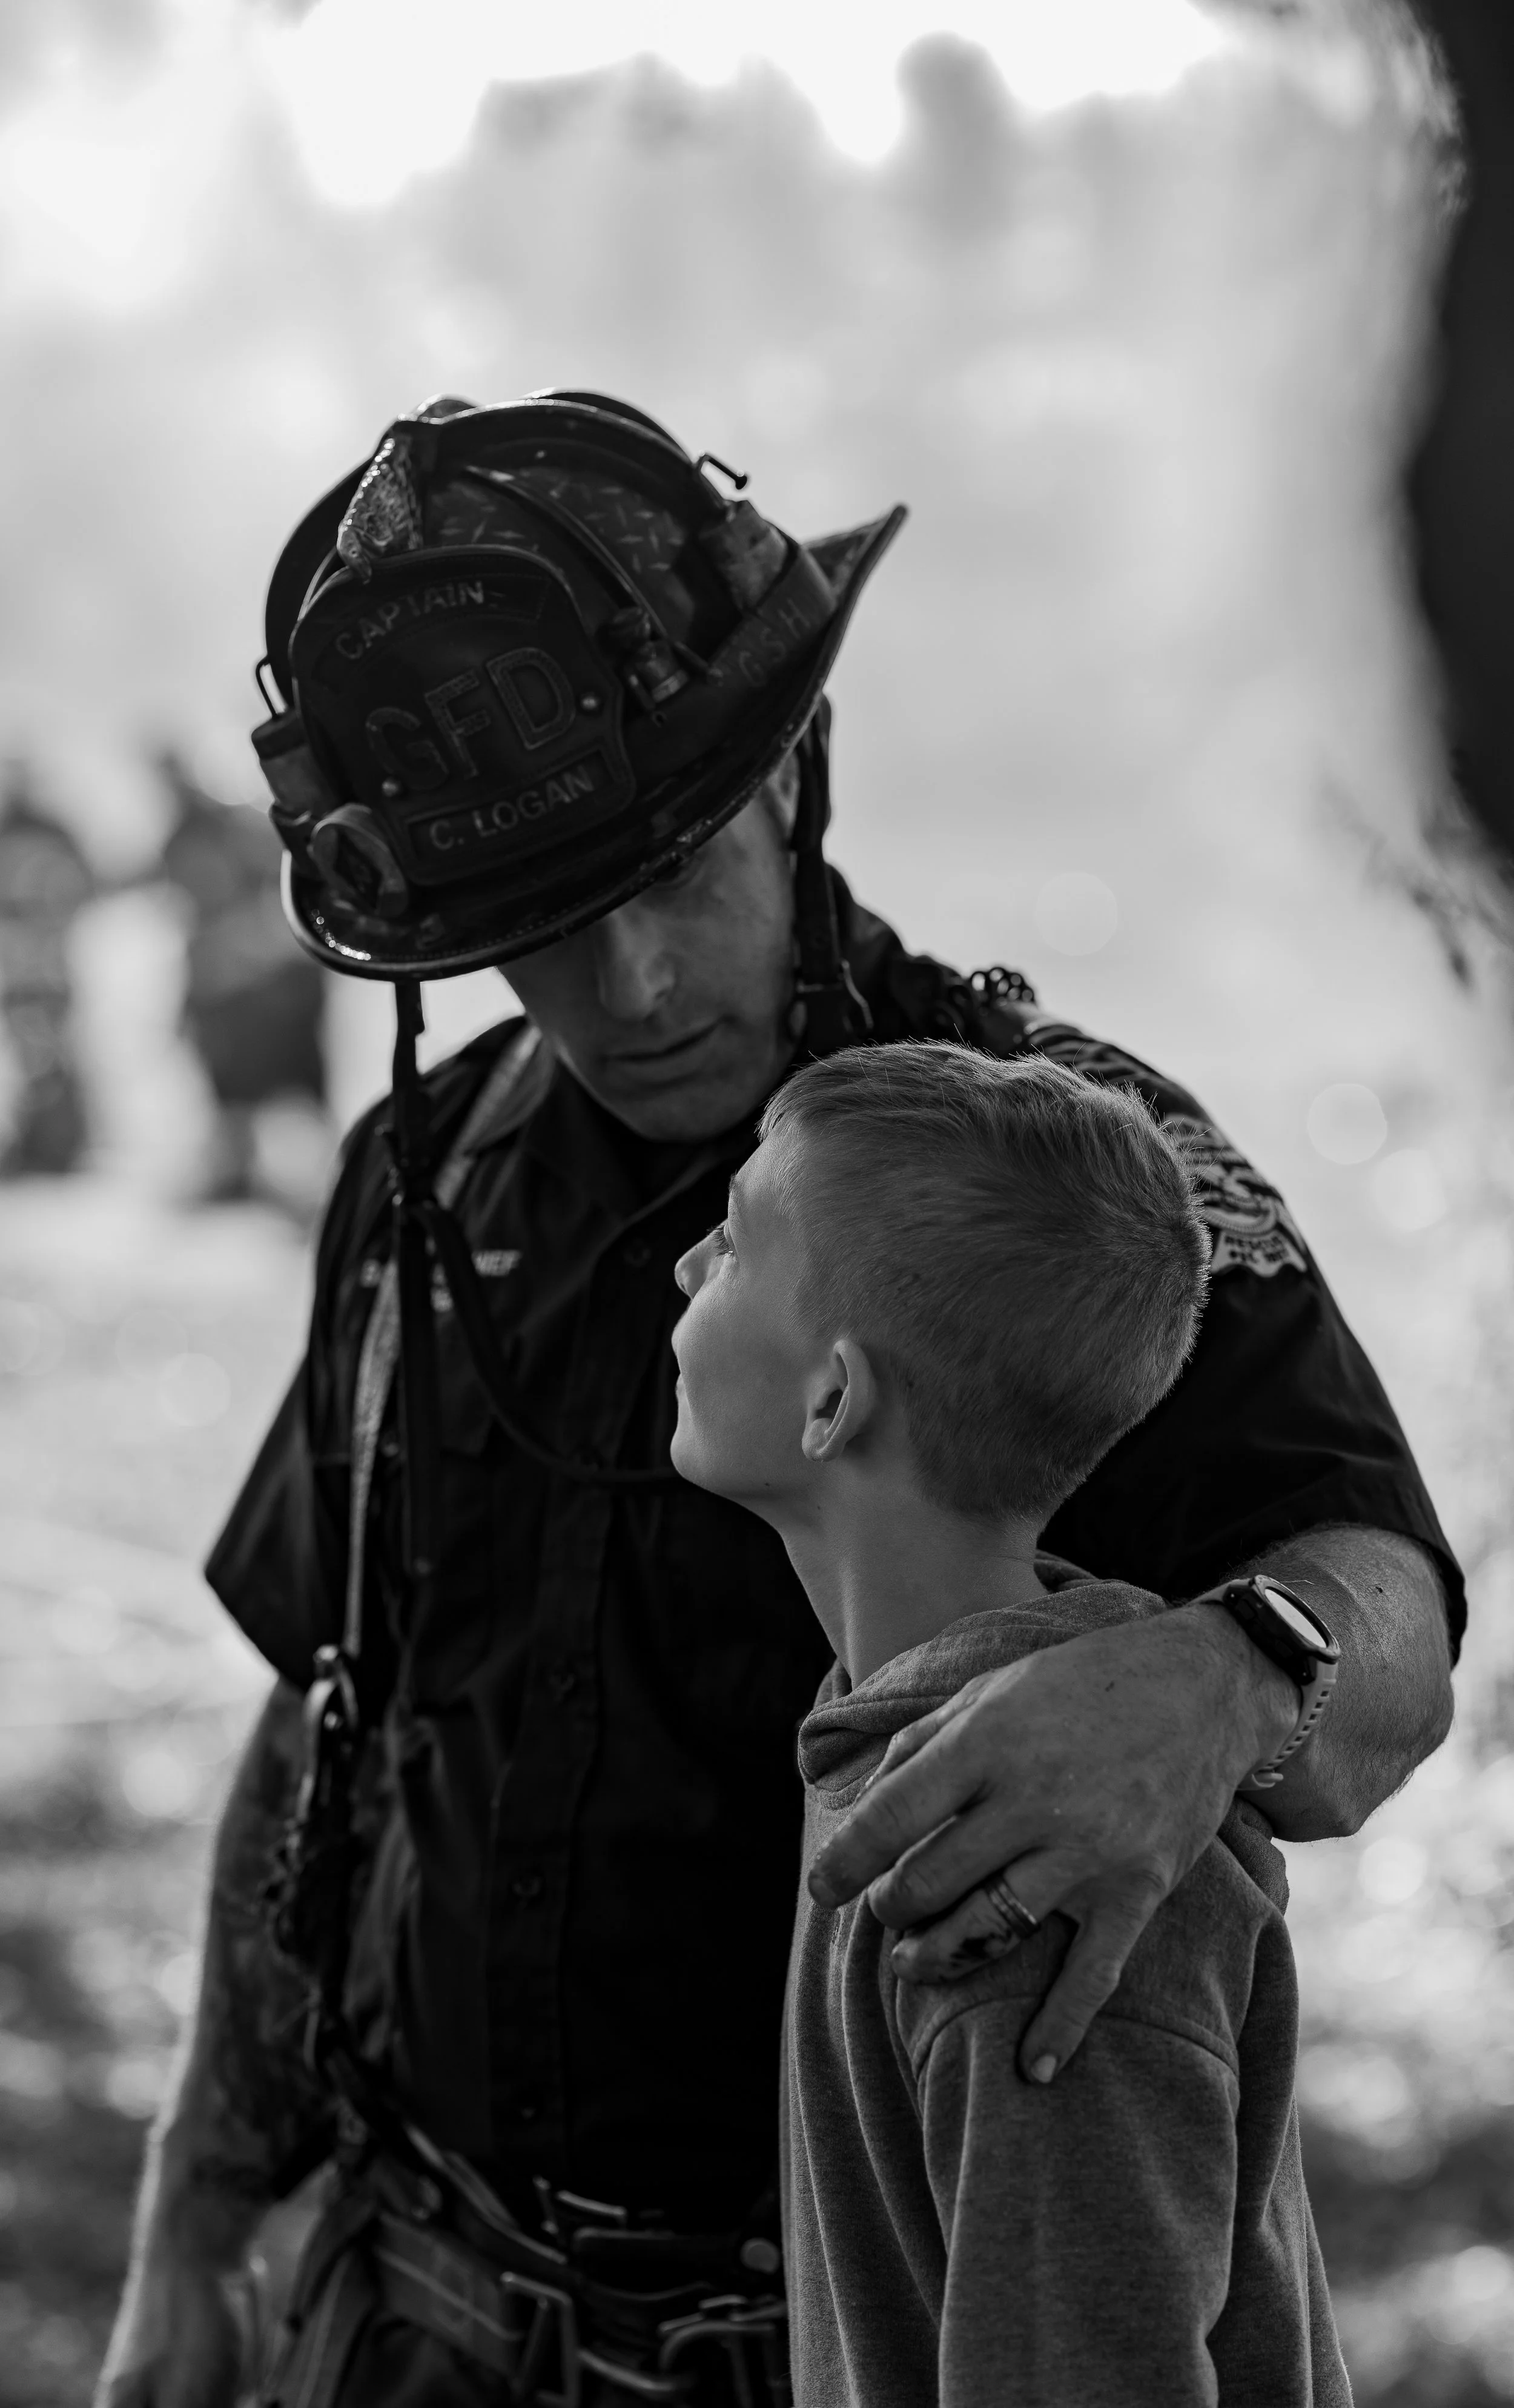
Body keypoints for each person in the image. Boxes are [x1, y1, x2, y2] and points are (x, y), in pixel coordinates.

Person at [98, 393, 1456, 2408]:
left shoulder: (1039, 1167)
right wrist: (200, 2209)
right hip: (404, 2314)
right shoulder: (427, 1177)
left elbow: (1393, 1634)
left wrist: (1232, 1671)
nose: (638, 978)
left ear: (793, 773)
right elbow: (332, 1710)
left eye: (678, 865)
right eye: (550, 918)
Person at [670, 1042, 1350, 2407]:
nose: (688, 1267)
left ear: (831, 1400)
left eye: (736, 1242)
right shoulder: (892, 1730)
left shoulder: (1024, 1875)